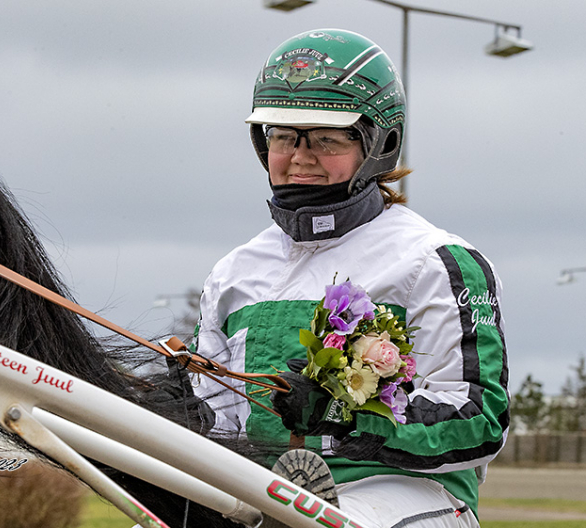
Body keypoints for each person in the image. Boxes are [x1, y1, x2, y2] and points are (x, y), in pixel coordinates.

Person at [191, 29, 508, 528]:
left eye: (326, 139)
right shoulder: (234, 272)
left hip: (402, 492)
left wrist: (345, 415)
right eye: (282, 137)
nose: (299, 156)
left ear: (380, 144)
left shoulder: (437, 261)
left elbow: (479, 421)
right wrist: (182, 411)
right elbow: (218, 421)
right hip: (260, 491)